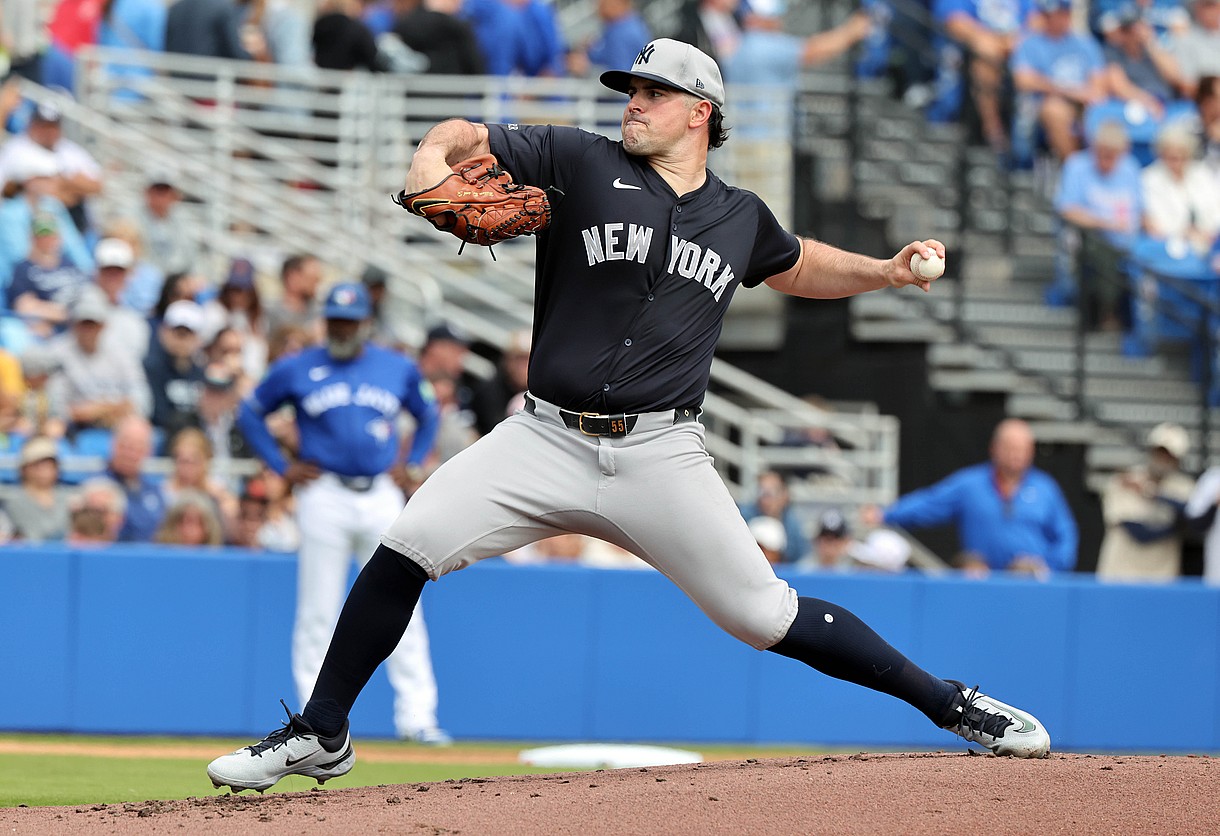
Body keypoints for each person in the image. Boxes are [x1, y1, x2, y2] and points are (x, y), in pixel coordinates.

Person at [207, 38, 1050, 795]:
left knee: (765, 615)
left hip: (660, 454)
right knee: (405, 547)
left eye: (651, 92)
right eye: (629, 90)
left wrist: (886, 271)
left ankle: (951, 704)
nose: (632, 103)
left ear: (700, 112)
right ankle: (323, 732)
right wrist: (432, 152)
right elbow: (470, 132)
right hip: (540, 436)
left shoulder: (739, 217)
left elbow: (794, 265)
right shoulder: (579, 159)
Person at [234, 282, 450, 745]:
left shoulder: (395, 366)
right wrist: (281, 467)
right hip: (324, 492)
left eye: (349, 321)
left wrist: (414, 462)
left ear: (365, 322)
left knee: (402, 607)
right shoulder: (297, 367)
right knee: (318, 608)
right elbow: (250, 412)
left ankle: (418, 717)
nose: (341, 327)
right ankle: (315, 724)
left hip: (380, 494)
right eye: (334, 319)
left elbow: (429, 412)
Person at [869, 418, 1077, 578]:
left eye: (1022, 449)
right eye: (1011, 448)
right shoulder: (970, 485)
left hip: (1029, 586)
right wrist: (886, 514)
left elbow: (1066, 535)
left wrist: (1048, 567)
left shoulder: (1046, 488)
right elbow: (930, 504)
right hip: (981, 583)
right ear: (994, 448)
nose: (1016, 455)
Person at [1010, 0, 1108, 168]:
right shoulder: (1030, 44)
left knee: (1103, 111)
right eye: (1047, 15)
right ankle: (1075, 170)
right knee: (1054, 110)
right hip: (1043, 104)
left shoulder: (1085, 43)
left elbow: (1098, 86)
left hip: (1083, 104)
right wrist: (1069, 91)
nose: (1051, 19)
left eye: (1058, 14)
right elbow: (1023, 81)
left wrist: (1084, 95)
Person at [1096, 422, 1195, 581]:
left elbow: (1194, 517)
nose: (1162, 459)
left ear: (1178, 460)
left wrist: (1152, 493)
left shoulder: (1183, 487)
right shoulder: (1124, 481)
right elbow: (1140, 534)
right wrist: (1177, 527)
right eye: (1159, 452)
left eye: (1169, 455)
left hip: (1163, 579)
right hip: (1120, 576)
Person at [1141, 122, 1220, 255]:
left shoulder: (1202, 173)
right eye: (1172, 158)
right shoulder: (1149, 179)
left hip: (1209, 241)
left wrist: (1207, 231)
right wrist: (1185, 233)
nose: (1177, 162)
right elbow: (1155, 224)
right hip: (1171, 246)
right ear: (1161, 155)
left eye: (1182, 157)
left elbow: (1216, 208)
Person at [143, 299, 207, 444]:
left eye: (187, 334)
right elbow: (156, 413)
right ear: (163, 332)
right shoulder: (151, 368)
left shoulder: (202, 373)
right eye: (177, 333)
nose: (181, 340)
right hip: (162, 437)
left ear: (198, 338)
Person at [101, 413, 167, 542]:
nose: (130, 454)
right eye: (126, 445)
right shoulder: (97, 488)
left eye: (138, 447)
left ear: (149, 451)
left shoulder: (155, 492)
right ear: (113, 444)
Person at [5, 435, 71, 542]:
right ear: (25, 468)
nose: (44, 470)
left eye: (49, 465)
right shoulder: (10, 499)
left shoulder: (70, 498)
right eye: (38, 465)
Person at [737, 469, 809, 565]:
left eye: (771, 493)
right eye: (762, 492)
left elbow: (797, 558)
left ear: (784, 495)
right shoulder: (743, 518)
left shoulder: (793, 524)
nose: (766, 500)